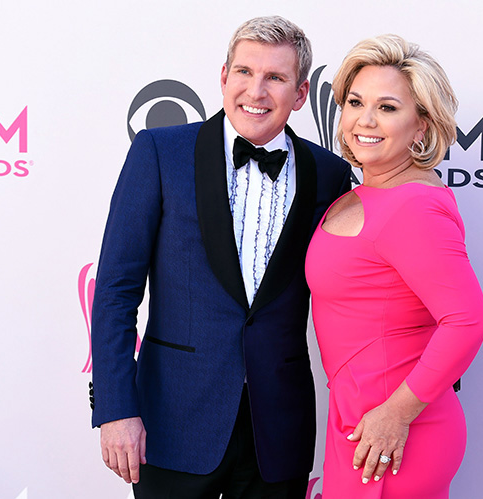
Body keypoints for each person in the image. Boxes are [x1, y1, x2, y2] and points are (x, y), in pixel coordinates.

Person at [89, 16, 351, 498]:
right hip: (171, 423)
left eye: (275, 77)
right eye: (245, 72)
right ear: (224, 76)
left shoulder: (329, 173)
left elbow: (352, 295)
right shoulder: (160, 152)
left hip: (279, 431)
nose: (256, 90)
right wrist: (115, 408)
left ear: (300, 94)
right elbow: (115, 290)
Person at [305, 34, 483, 498]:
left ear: (421, 125)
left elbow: (468, 321)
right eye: (355, 102)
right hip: (359, 422)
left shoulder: (413, 207)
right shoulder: (363, 193)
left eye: (387, 108)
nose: (365, 120)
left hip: (395, 434)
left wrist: (396, 415)